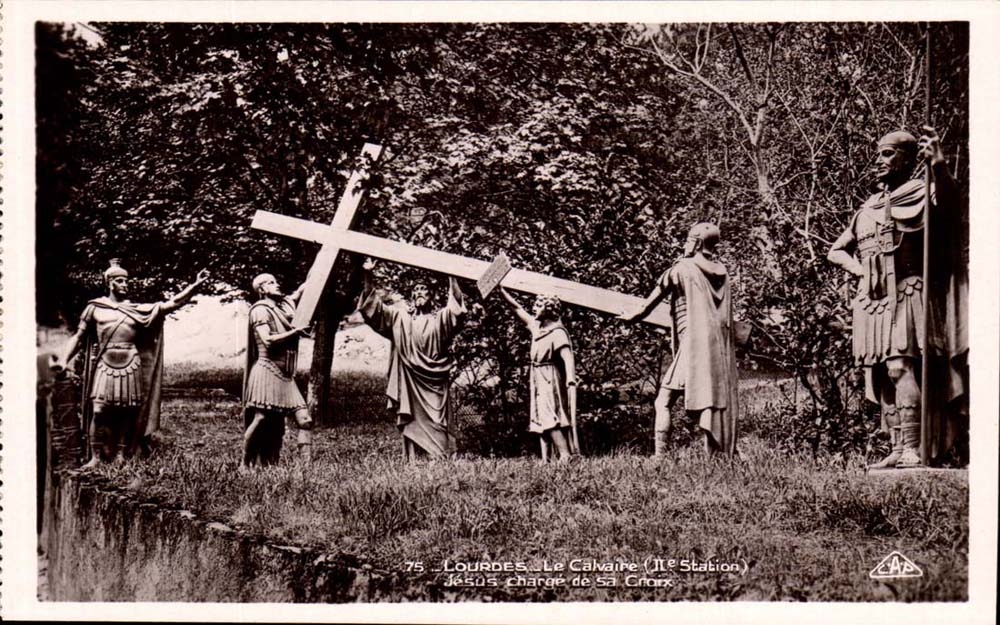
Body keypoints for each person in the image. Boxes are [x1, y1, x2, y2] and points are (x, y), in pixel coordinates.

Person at [827, 126, 967, 468]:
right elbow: (836, 251)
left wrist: (939, 165)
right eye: (878, 154)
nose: (879, 161)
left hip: (908, 291)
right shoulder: (869, 206)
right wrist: (860, 271)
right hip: (872, 300)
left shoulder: (922, 193)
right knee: (882, 375)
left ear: (908, 157)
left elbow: (951, 210)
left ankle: (912, 449)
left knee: (900, 366)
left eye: (887, 153)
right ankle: (896, 446)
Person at [52, 259, 209, 468]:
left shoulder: (138, 310)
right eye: (120, 281)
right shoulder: (95, 308)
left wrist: (195, 286)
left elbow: (171, 304)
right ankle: (95, 457)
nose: (126, 284)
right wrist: (64, 360)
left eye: (126, 281)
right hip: (105, 363)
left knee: (127, 412)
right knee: (99, 411)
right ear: (110, 283)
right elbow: (79, 337)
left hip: (131, 363)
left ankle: (121, 455)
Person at [620, 223, 740, 458]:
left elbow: (649, 303)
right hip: (715, 348)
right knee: (712, 401)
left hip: (693, 346)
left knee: (663, 400)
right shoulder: (722, 272)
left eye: (688, 239)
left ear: (695, 242)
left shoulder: (682, 269)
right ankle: (716, 456)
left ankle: (660, 457)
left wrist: (632, 317)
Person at [358, 260, 467, 461]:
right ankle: (414, 462)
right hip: (409, 382)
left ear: (432, 295)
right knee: (412, 421)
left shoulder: (439, 319)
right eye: (416, 290)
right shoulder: (400, 318)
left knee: (437, 421)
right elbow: (373, 310)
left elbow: (456, 311)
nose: (419, 293)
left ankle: (439, 458)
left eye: (424, 289)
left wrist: (452, 276)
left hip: (434, 382)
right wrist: (368, 275)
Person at [242, 272, 314, 466]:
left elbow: (301, 290)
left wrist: (317, 272)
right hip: (267, 370)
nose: (277, 284)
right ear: (262, 289)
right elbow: (267, 340)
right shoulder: (260, 310)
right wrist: (295, 332)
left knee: (305, 419)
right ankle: (244, 464)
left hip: (285, 375)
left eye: (276, 281)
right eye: (271, 283)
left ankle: (306, 470)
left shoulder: (283, 307)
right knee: (261, 419)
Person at [500, 288, 578, 462]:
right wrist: (500, 290)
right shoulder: (536, 327)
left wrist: (571, 379)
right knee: (540, 417)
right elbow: (517, 308)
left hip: (550, 376)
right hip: (537, 375)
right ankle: (546, 459)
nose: (534, 308)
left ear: (549, 308)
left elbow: (567, 356)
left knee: (549, 416)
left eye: (538, 305)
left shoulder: (557, 332)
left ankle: (565, 455)